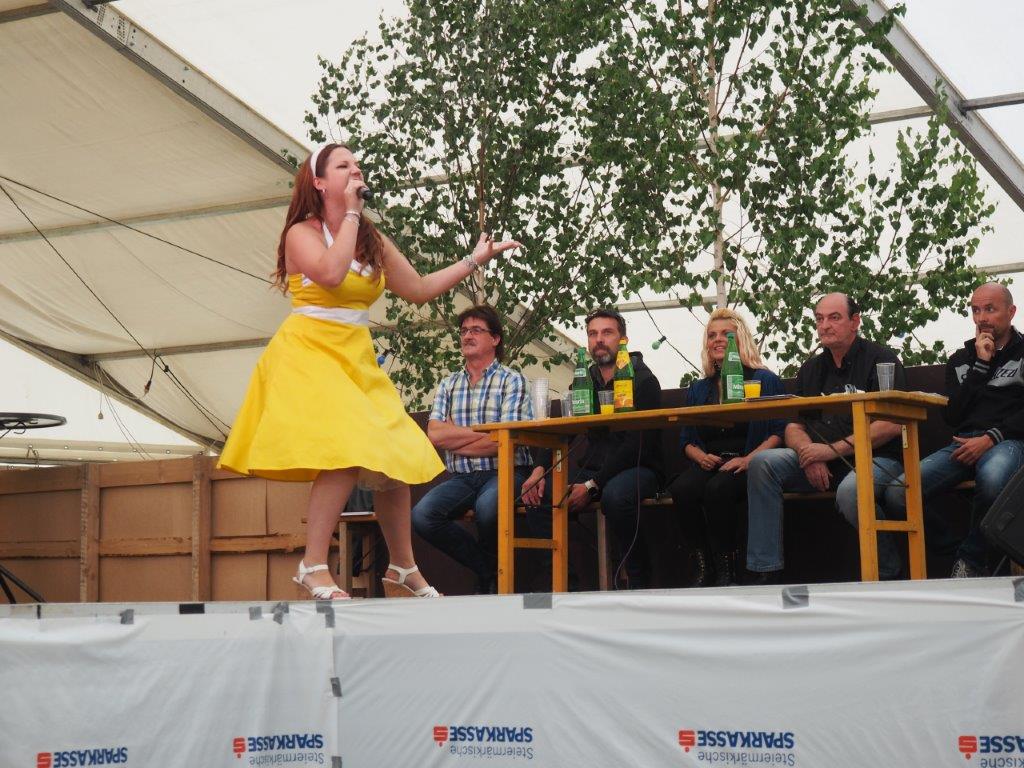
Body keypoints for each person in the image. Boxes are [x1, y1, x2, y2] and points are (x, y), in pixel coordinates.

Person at [218, 143, 521, 599]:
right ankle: (312, 565)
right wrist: (352, 215)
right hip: (310, 351)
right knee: (346, 449)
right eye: (344, 166)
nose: (356, 171)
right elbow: (331, 273)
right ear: (319, 182)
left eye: (357, 165)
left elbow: (418, 288)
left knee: (394, 454)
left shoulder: (369, 238)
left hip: (354, 354)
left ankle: (402, 567)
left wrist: (474, 259)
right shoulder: (302, 233)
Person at [745, 293, 907, 583]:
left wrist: (829, 451)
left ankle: (887, 572)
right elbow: (793, 426)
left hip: (876, 461)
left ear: (855, 321)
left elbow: (892, 424)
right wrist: (808, 453)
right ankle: (765, 572)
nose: (825, 326)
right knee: (762, 463)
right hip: (820, 461)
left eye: (834, 318)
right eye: (819, 319)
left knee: (850, 492)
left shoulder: (881, 360)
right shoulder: (811, 368)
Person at [884, 282, 1024, 577]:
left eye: (990, 309)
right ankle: (960, 553)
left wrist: (991, 438)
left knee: (993, 478)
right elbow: (952, 415)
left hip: (1008, 441)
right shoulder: (961, 359)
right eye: (976, 310)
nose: (982, 318)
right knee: (898, 493)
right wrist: (981, 365)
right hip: (962, 443)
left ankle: (969, 563)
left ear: (1011, 312)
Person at [523, 308, 663, 589]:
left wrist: (591, 485)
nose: (599, 340)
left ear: (623, 340)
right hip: (594, 471)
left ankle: (639, 582)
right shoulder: (583, 380)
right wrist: (539, 469)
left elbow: (638, 444)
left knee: (616, 496)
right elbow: (564, 429)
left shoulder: (644, 380)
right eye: (592, 334)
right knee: (536, 495)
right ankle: (565, 587)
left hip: (638, 468)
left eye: (607, 333)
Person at [411, 306, 533, 594]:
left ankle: (491, 579)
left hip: (506, 470)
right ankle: (489, 570)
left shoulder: (512, 380)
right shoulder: (448, 384)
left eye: (476, 330)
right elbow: (435, 435)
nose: (467, 336)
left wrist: (457, 435)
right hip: (463, 477)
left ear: (495, 339)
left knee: (487, 508)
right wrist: (485, 432)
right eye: (464, 331)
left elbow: (504, 441)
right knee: (422, 515)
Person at [668, 308, 785, 586]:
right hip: (710, 461)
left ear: (740, 339)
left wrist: (748, 459)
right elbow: (686, 440)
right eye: (712, 335)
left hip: (749, 462)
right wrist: (700, 457)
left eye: (726, 334)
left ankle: (727, 571)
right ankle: (703, 566)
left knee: (718, 489)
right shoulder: (698, 389)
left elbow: (779, 432)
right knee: (682, 489)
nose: (717, 340)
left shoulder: (764, 379)